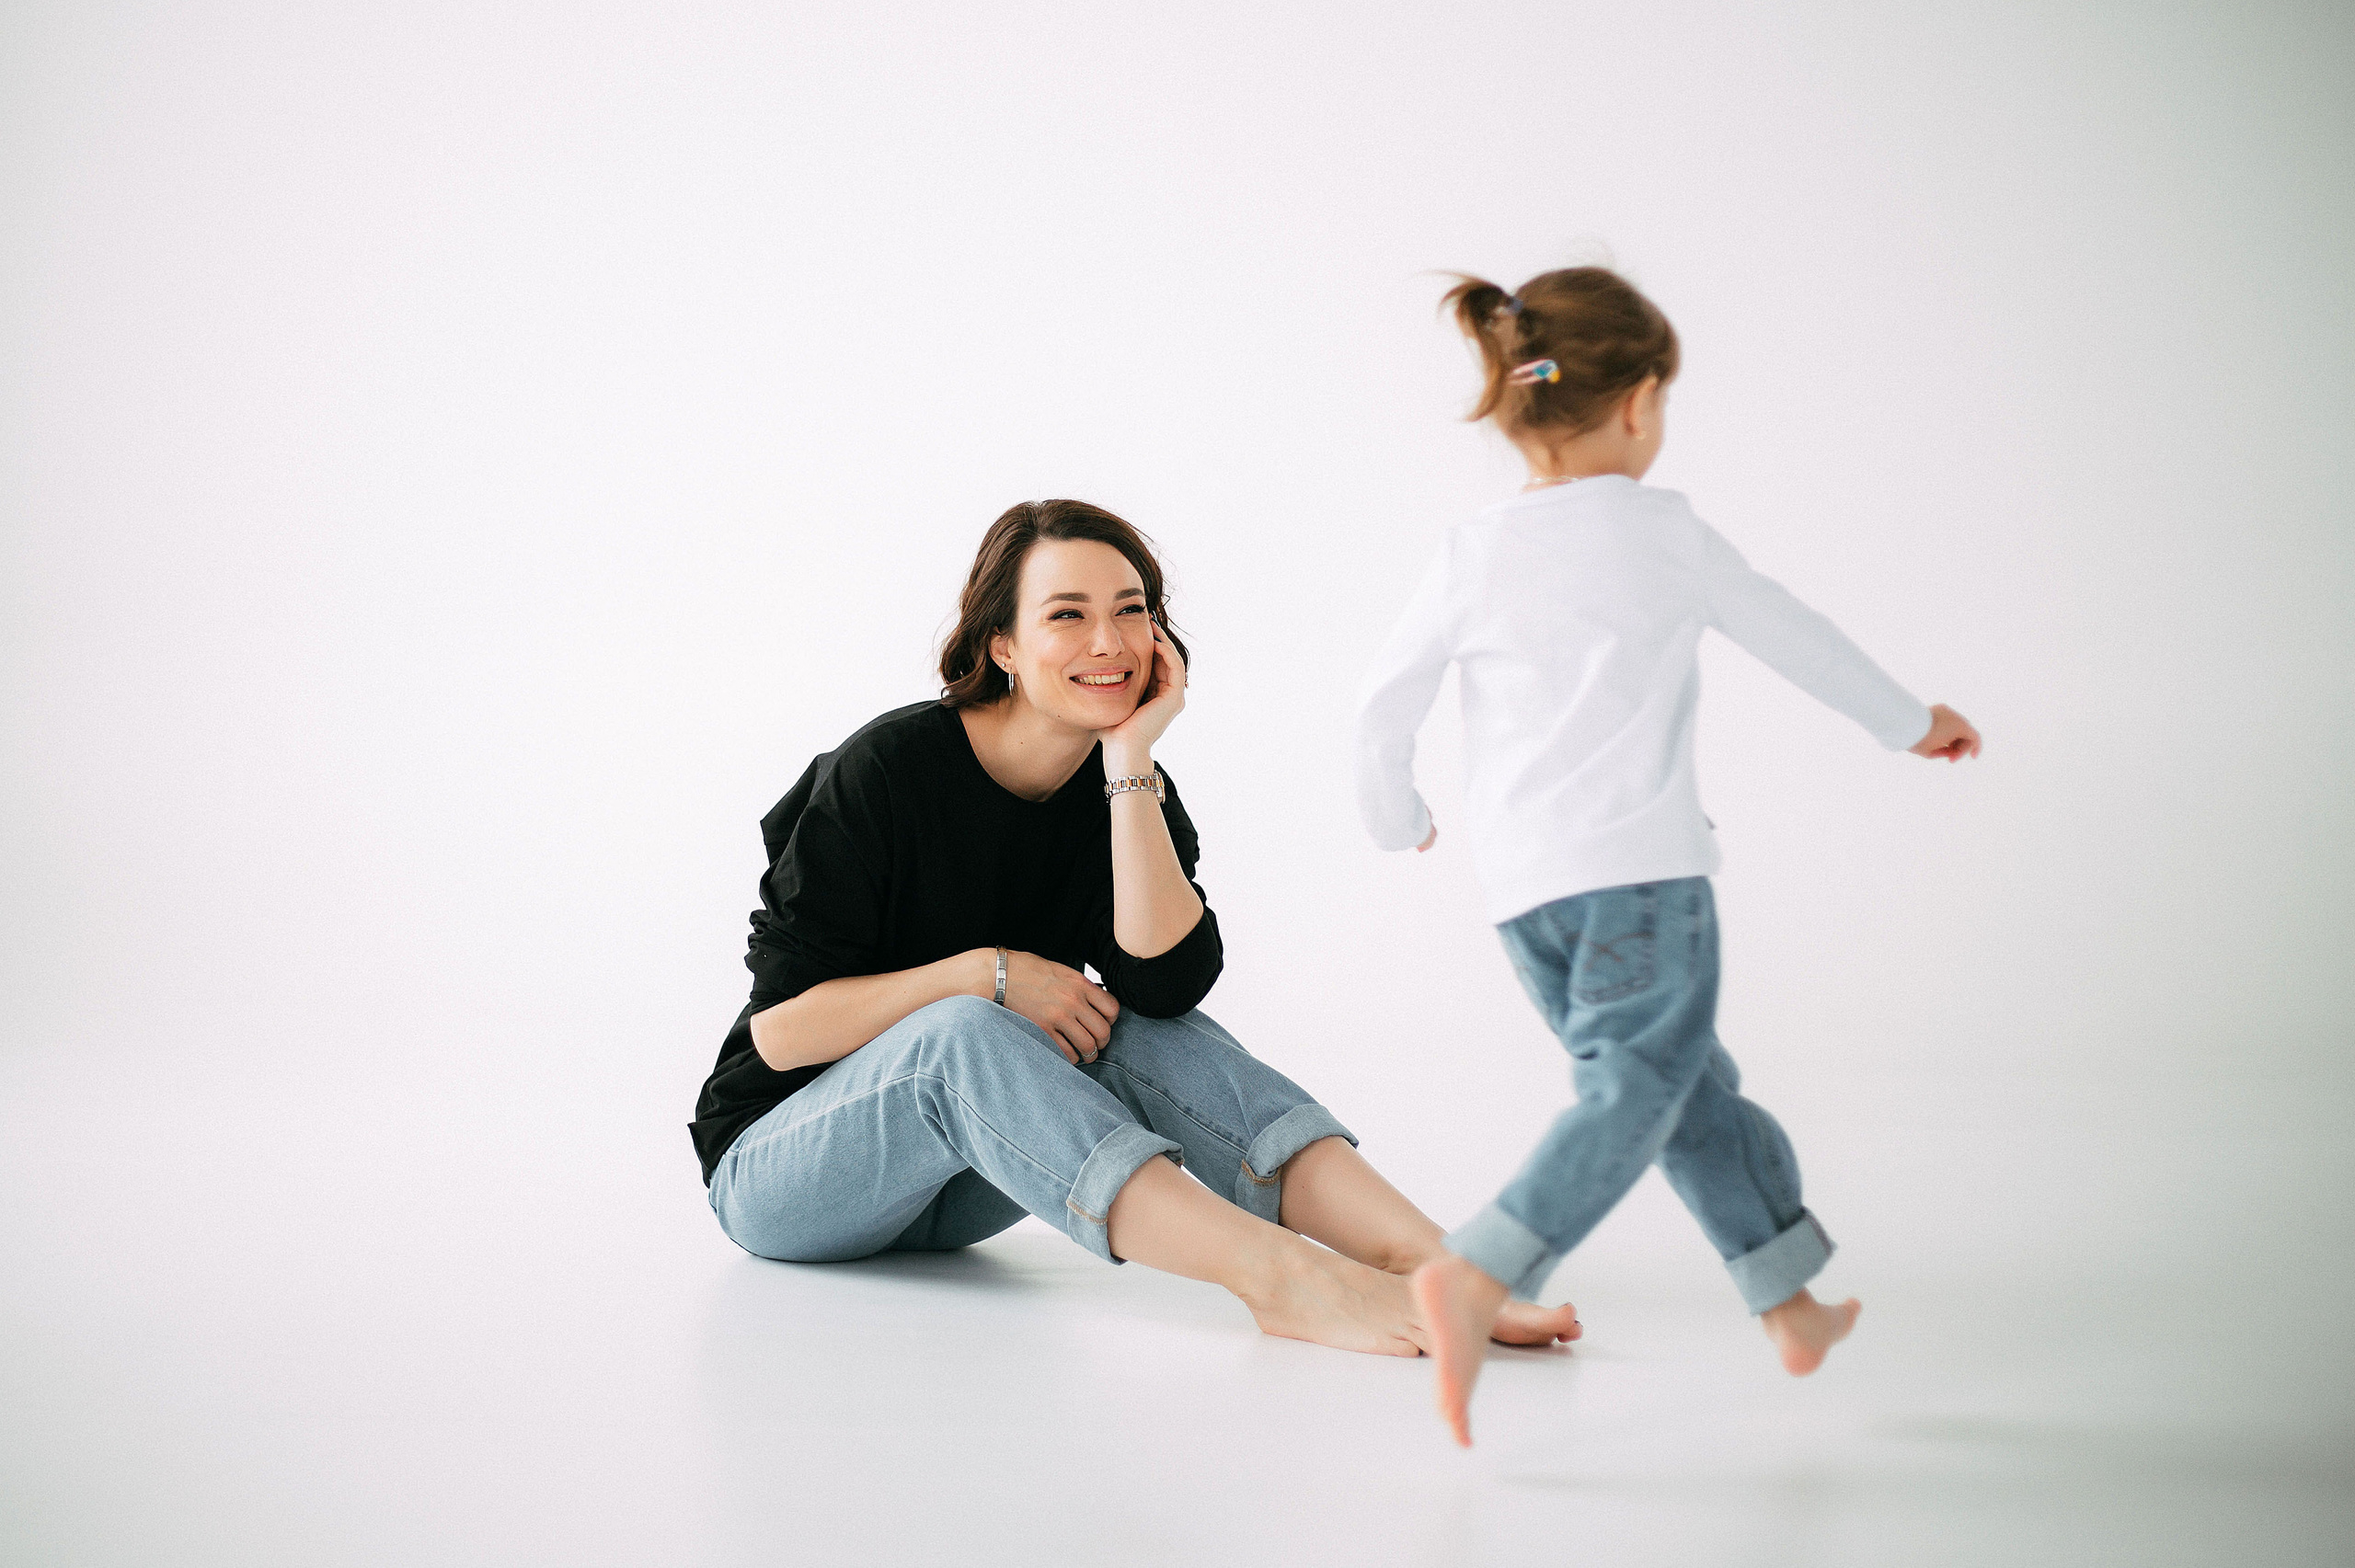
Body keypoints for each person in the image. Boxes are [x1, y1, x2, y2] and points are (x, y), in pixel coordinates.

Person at [692, 498, 1584, 1356]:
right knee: (965, 1029)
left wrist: (1129, 761)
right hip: (782, 1174)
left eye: (1132, 611)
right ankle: (1284, 1281)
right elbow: (780, 1033)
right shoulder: (884, 774)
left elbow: (1164, 991)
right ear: (1001, 643)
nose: (1109, 642)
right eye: (1068, 615)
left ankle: (1430, 1260)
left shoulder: (1127, 793)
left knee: (1120, 1019)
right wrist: (984, 973)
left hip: (961, 1189)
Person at [1356, 267, 1982, 1445]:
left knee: (1687, 1087)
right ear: (1639, 403)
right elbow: (1798, 636)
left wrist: (1396, 814)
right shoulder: (1666, 533)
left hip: (1524, 897)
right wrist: (1912, 720)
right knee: (1635, 1088)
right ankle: (1481, 1266)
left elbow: (1379, 705)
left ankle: (1785, 1298)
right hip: (1641, 875)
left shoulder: (1470, 551)